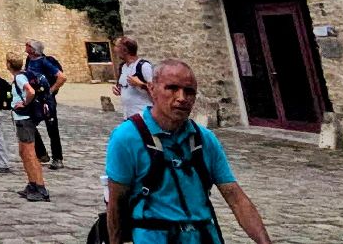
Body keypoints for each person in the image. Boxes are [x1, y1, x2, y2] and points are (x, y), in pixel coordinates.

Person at [104, 60, 274, 244]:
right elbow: (116, 203)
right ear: (152, 89)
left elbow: (235, 197)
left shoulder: (204, 139)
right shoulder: (127, 137)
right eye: (172, 88)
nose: (182, 98)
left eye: (189, 91)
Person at [6, 53, 49, 202]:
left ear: (9, 65)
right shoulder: (22, 76)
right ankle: (32, 184)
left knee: (30, 154)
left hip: (24, 119)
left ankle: (40, 187)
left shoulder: (19, 78)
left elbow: (30, 91)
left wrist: (24, 103)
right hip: (21, 119)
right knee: (23, 152)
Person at [27, 40, 68, 169]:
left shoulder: (44, 62)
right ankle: (42, 153)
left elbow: (62, 77)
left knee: (52, 129)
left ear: (34, 50)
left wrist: (50, 90)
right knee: (28, 124)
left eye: (28, 45)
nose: (26, 47)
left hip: (47, 101)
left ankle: (57, 158)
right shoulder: (29, 60)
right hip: (34, 100)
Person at [113, 36, 154, 121]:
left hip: (143, 117)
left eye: (117, 46)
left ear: (125, 50)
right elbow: (123, 87)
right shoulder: (122, 67)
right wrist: (118, 89)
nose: (114, 49)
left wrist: (141, 85)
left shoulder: (144, 66)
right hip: (128, 116)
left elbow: (157, 91)